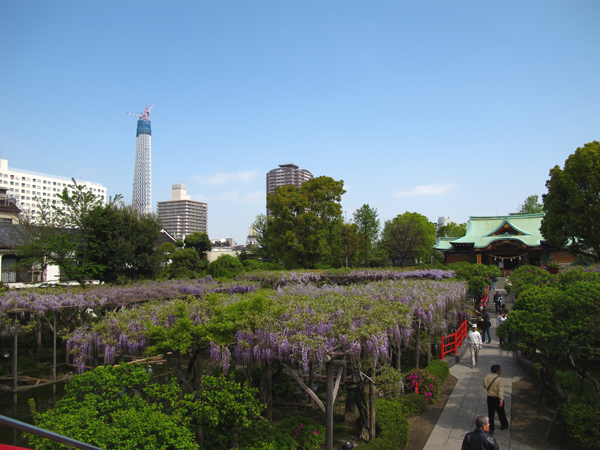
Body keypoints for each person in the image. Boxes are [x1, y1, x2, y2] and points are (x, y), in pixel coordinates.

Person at [483, 365, 509, 435]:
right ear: (497, 371)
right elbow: (501, 391)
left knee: (491, 413)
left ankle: (491, 428)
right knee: (501, 412)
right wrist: (501, 400)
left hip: (490, 397)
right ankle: (504, 425)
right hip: (497, 398)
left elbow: (484, 385)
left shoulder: (487, 377)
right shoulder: (499, 380)